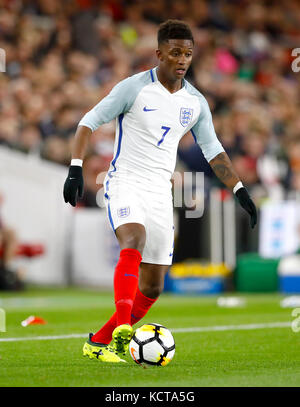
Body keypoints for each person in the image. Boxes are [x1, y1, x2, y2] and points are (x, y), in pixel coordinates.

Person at [63, 19, 257, 363]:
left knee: (152, 287)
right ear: (158, 54)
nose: (182, 60)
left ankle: (97, 342)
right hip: (124, 181)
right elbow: (87, 123)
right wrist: (76, 169)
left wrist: (240, 190)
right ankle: (123, 331)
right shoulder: (133, 88)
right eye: (175, 53)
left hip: (160, 194)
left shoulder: (195, 102)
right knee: (132, 239)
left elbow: (213, 151)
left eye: (188, 54)